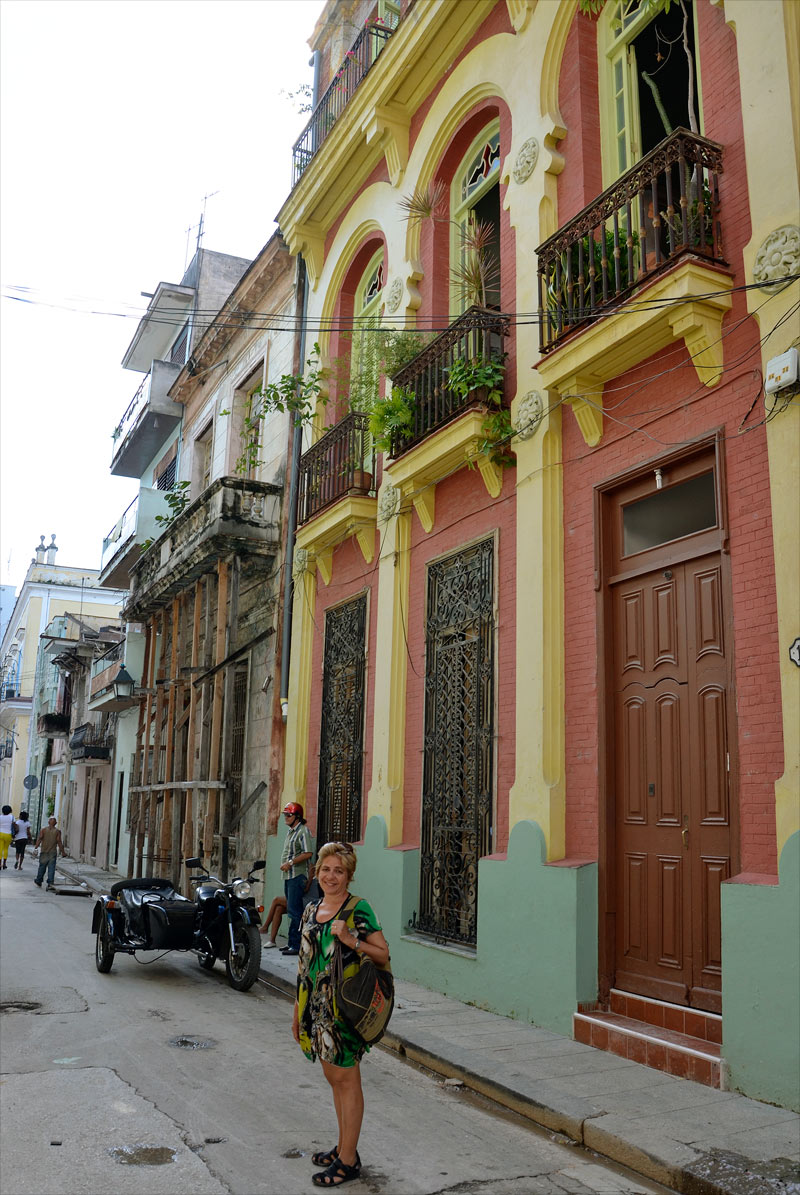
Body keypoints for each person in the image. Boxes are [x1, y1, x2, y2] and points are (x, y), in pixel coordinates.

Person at [292, 841, 389, 1188]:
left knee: (347, 1081)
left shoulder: (358, 909)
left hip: (344, 1011)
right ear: (317, 871)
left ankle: (348, 1160)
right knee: (334, 1080)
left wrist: (350, 939)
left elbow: (382, 953)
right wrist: (297, 1012)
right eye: (325, 869)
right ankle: (344, 1146)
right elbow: (304, 966)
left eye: (339, 871)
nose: (331, 876)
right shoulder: (310, 909)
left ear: (349, 876)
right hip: (315, 1011)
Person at [279, 802, 312, 957]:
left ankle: (296, 944)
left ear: (297, 816)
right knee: (292, 910)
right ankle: (292, 942)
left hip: (297, 876)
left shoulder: (303, 832)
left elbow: (308, 853)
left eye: (289, 815)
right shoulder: (291, 832)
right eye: (285, 814)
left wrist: (290, 863)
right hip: (288, 876)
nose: (286, 817)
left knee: (295, 911)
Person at [260, 864, 320, 947]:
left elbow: (305, 889)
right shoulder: (303, 875)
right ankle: (272, 940)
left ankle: (265, 927)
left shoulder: (315, 878)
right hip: (300, 899)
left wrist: (310, 877)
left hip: (307, 902)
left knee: (276, 900)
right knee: (279, 909)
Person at [33, 816, 65, 890]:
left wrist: (36, 847)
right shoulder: (57, 831)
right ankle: (50, 882)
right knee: (51, 868)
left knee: (42, 867)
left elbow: (40, 839)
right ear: (56, 823)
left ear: (48, 822)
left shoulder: (43, 830)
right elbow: (59, 842)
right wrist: (63, 852)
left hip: (44, 851)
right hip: (52, 852)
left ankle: (39, 880)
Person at [0, 805, 13, 870]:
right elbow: (14, 825)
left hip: (0, 833)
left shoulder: (0, 817)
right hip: (8, 834)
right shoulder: (11, 817)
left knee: (0, 849)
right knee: (6, 849)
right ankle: (4, 864)